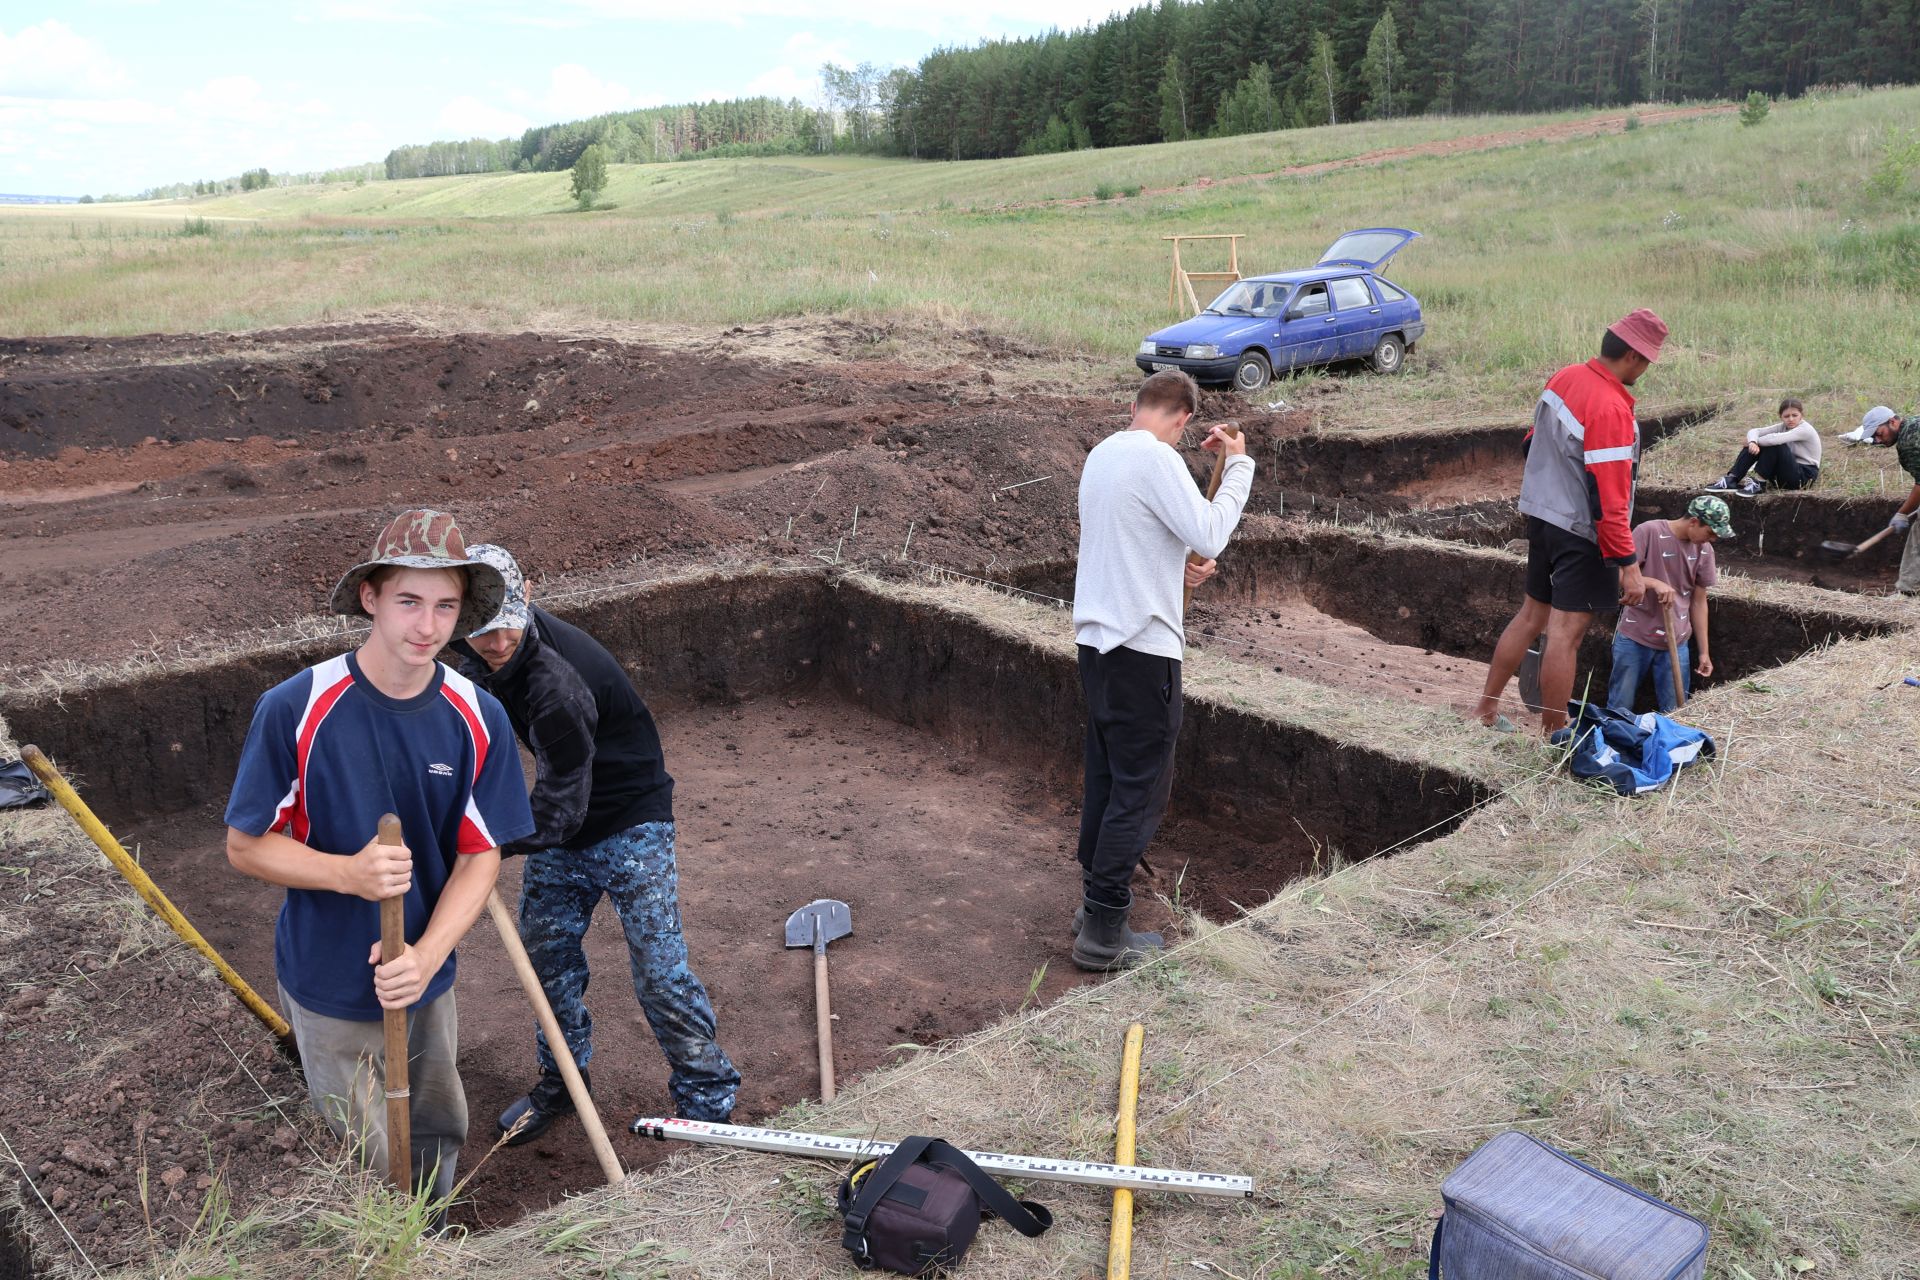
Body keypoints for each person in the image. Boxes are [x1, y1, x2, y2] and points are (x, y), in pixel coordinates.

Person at [224, 510, 533, 1198]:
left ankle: (432, 1240)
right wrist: (347, 873)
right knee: (357, 1153)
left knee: (435, 1127)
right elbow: (245, 846)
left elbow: (481, 856)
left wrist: (424, 958)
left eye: (446, 606)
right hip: (329, 978)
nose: (427, 626)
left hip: (424, 975)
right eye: (409, 602)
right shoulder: (296, 707)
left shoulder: (478, 716)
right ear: (370, 598)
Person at [451, 545, 740, 1142]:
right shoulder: (468, 647)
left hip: (630, 821)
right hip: (565, 820)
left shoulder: (558, 682)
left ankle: (706, 1097)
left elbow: (560, 809)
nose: (497, 643)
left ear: (526, 595)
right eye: (480, 632)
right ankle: (563, 1083)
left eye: (506, 624)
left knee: (659, 972)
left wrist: (483, 842)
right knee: (546, 959)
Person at [1071, 369, 1254, 971]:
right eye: (1181, 434)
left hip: (1098, 650)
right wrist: (1239, 466)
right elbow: (1210, 532)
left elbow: (1130, 544)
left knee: (1107, 778)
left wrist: (1176, 570)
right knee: (1140, 790)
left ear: (1136, 406)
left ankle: (1092, 905)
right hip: (1143, 654)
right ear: (1181, 419)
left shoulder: (1102, 456)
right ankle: (1103, 931)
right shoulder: (1156, 459)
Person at [1471, 309, 1669, 736]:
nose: (1646, 369)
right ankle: (1555, 737)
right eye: (1648, 361)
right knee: (1565, 635)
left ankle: (1485, 711)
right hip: (1582, 533)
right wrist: (1629, 567)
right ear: (1634, 356)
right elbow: (1611, 500)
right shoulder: (1612, 407)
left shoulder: (1564, 378)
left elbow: (1532, 444)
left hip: (1543, 516)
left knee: (1530, 617)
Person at [1607, 496, 1731, 714]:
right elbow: (1618, 574)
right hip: (1635, 637)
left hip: (1677, 640)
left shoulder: (1704, 551)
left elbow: (1699, 602)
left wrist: (1704, 652)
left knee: (1676, 713)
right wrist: (1654, 583)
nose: (1712, 539)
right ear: (1694, 521)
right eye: (1710, 532)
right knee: (1619, 708)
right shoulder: (1649, 532)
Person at [1858, 406, 1920, 596]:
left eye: (1879, 433)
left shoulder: (1910, 441)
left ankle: (1909, 591)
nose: (1877, 440)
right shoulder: (1914, 425)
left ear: (1893, 422)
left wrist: (1902, 512)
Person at [1703, 398, 1820, 496]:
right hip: (1786, 472)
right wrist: (1752, 442)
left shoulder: (1805, 429)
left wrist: (1753, 442)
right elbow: (1755, 431)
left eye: (1795, 415)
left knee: (1774, 445)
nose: (1790, 419)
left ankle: (1759, 483)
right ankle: (1732, 479)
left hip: (1803, 477)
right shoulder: (1782, 426)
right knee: (1757, 444)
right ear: (1781, 416)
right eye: (1786, 416)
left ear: (1801, 415)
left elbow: (1775, 440)